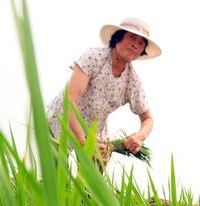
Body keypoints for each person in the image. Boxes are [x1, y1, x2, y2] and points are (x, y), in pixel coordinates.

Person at [47, 17, 161, 162]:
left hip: (96, 131)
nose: (135, 44)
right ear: (117, 38)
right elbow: (69, 102)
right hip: (62, 120)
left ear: (142, 51)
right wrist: (83, 142)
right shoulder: (94, 57)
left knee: (93, 181)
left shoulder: (132, 81)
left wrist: (140, 136)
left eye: (141, 42)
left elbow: (148, 119)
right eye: (132, 37)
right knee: (54, 176)